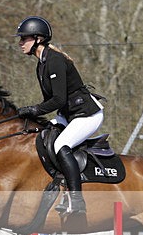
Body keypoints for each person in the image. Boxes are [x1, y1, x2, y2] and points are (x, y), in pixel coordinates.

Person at [15, 16, 104, 215]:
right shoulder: (41, 64)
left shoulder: (54, 60)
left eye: (24, 38)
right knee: (44, 137)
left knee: (60, 145)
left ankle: (77, 200)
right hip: (69, 114)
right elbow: (54, 102)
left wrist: (34, 109)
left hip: (87, 115)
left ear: (38, 39)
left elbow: (58, 100)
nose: (20, 43)